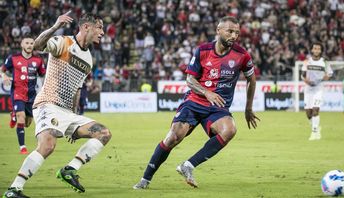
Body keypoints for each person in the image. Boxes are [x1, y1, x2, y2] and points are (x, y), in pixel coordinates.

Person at [133, 16, 260, 189]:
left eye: (237, 32)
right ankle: (145, 180)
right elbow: (190, 80)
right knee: (173, 138)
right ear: (218, 30)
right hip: (194, 102)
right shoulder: (203, 50)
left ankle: (188, 165)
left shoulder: (241, 55)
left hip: (217, 108)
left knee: (230, 129)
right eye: (230, 31)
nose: (234, 35)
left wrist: (248, 108)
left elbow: (251, 80)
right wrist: (207, 92)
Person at [3, 11, 111, 198]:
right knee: (48, 145)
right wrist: (55, 27)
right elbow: (36, 46)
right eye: (100, 27)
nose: (103, 32)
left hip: (68, 112)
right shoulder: (64, 42)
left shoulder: (88, 60)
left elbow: (77, 88)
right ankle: (14, 189)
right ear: (86, 27)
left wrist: (74, 118)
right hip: (48, 104)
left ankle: (69, 169)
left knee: (103, 133)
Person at [0, 34, 46, 154]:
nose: (29, 45)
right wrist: (4, 75)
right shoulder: (13, 58)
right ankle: (23, 148)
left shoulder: (38, 60)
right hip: (17, 93)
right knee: (21, 118)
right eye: (27, 43)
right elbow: (2, 69)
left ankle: (13, 115)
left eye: (31, 43)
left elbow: (43, 74)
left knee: (27, 123)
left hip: (31, 96)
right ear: (21, 44)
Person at [301, 42, 333, 141]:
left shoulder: (325, 61)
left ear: (321, 51)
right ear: (312, 50)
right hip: (308, 88)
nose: (316, 50)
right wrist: (307, 81)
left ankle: (314, 133)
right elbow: (302, 75)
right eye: (315, 48)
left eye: (318, 49)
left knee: (315, 109)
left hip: (319, 88)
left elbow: (330, 74)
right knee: (308, 113)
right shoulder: (307, 61)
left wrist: (325, 78)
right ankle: (316, 127)